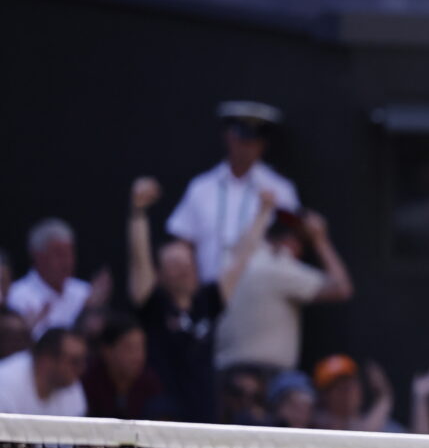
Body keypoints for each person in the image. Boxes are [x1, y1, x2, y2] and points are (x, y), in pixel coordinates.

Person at [212, 197, 354, 379]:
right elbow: (342, 288)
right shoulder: (277, 265)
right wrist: (320, 240)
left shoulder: (231, 262)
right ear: (292, 243)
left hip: (223, 375)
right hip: (262, 378)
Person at [166, 100, 301, 284]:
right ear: (228, 137)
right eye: (242, 139)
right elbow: (182, 242)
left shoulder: (281, 190)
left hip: (256, 298)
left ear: (263, 144)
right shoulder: (201, 187)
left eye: (254, 141)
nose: (247, 148)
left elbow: (291, 245)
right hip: (207, 296)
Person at [128, 175, 226, 422]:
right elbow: (139, 259)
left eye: (187, 262)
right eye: (174, 264)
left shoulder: (207, 303)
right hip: (163, 422)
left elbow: (241, 259)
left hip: (205, 421)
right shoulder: (154, 305)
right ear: (159, 275)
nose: (184, 269)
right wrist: (138, 213)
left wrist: (262, 213)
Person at [7, 219, 104, 338]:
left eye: (70, 253)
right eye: (59, 255)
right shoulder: (16, 296)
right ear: (38, 257)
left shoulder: (84, 292)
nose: (67, 262)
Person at [81, 313, 169, 420]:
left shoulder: (150, 385)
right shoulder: (87, 382)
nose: (138, 357)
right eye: (129, 348)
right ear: (107, 351)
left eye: (141, 348)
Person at [0, 326, 88, 416]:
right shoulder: (5, 382)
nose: (82, 368)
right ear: (46, 360)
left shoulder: (71, 385)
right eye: (75, 362)